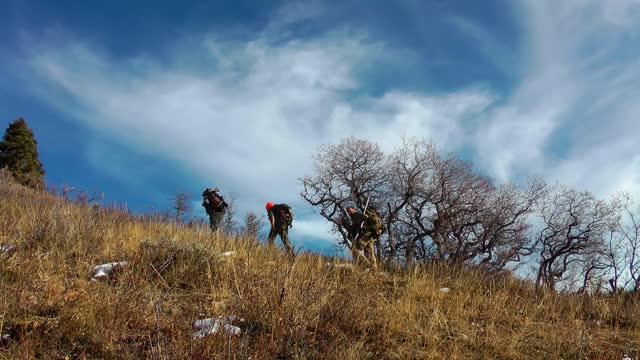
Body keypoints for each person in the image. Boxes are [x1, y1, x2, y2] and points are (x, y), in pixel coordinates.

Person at [347, 206, 384, 270]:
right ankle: (374, 270)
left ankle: (367, 265)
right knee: (369, 253)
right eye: (348, 211)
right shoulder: (354, 218)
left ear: (353, 209)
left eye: (350, 210)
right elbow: (355, 228)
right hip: (370, 236)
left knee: (355, 248)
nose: (349, 212)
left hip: (366, 234)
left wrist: (363, 219)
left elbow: (365, 218)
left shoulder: (357, 215)